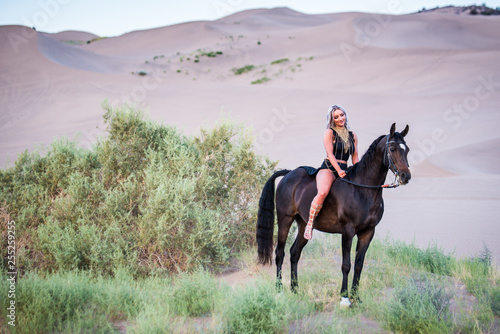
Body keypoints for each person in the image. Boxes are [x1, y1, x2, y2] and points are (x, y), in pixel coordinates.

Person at [304, 105, 359, 240]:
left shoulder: (353, 136)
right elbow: (330, 153)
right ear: (332, 119)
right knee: (322, 192)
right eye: (336, 117)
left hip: (345, 169)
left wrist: (359, 172)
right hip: (329, 168)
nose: (340, 118)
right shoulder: (329, 132)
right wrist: (338, 171)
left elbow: (355, 158)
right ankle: (309, 224)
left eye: (342, 115)